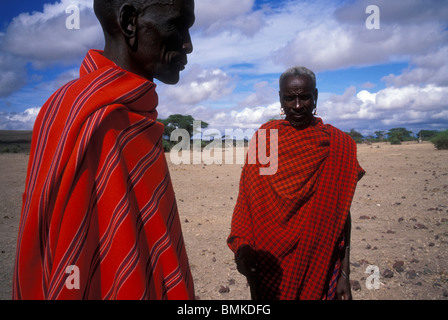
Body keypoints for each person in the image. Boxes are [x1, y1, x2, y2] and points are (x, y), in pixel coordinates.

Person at [12, 0, 195, 300]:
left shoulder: (140, 117)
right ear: (129, 22)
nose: (188, 45)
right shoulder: (85, 115)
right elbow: (59, 244)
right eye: (177, 25)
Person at [227, 66, 365, 300]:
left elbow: (342, 213)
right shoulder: (266, 137)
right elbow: (247, 199)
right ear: (280, 98)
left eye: (305, 97)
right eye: (290, 98)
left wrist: (344, 274)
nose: (298, 105)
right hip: (268, 259)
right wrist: (243, 246)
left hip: (318, 257)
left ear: (316, 96)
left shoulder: (338, 144)